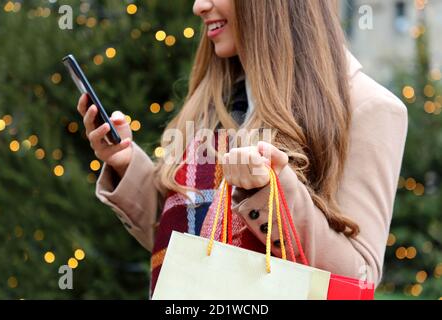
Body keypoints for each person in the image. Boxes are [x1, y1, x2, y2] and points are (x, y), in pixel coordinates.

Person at [76, 0, 408, 297]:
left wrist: (271, 193)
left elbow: (358, 278)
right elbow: (188, 247)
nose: (198, 6)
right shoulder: (215, 97)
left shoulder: (368, 108)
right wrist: (126, 166)